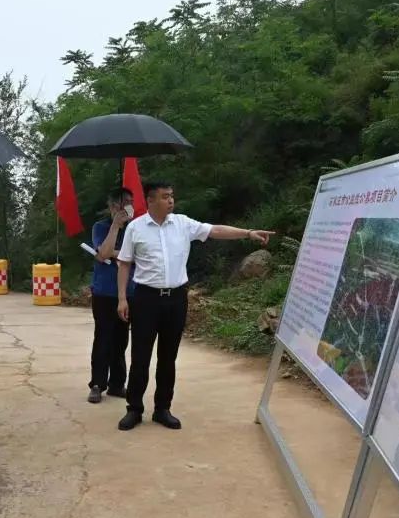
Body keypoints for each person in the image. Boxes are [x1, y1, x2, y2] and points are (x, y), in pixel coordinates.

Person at [116, 181, 273, 431]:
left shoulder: (183, 224)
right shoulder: (135, 228)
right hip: (145, 299)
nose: (171, 200)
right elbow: (124, 263)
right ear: (151, 200)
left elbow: (215, 231)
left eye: (172, 196)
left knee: (169, 357)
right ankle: (134, 409)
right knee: (140, 357)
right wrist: (122, 298)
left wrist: (247, 232)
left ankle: (162, 409)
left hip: (176, 299)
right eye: (165, 196)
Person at [88, 187, 136, 404]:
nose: (129, 206)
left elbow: (140, 256)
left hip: (129, 292)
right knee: (103, 338)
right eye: (125, 202)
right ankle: (97, 384)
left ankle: (117, 384)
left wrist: (118, 254)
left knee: (121, 339)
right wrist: (116, 225)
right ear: (113, 206)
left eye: (131, 201)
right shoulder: (101, 227)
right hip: (104, 292)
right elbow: (103, 253)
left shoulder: (136, 229)